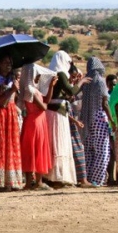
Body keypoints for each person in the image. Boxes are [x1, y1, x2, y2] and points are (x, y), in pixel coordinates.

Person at [45, 51, 88, 187]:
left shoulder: (51, 73)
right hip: (58, 113)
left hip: (53, 111)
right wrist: (81, 82)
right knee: (59, 143)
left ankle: (53, 176)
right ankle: (58, 177)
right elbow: (71, 91)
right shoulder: (61, 74)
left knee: (55, 143)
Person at [19, 63, 57, 191]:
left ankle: (30, 182)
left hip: (34, 121)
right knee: (37, 149)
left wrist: (51, 86)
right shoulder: (31, 90)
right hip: (35, 121)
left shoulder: (31, 89)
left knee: (31, 150)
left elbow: (46, 100)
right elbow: (44, 106)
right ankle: (38, 182)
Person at [0, 54, 23, 191]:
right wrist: (12, 90)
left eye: (10, 62)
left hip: (10, 114)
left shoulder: (11, 79)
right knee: (1, 145)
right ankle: (1, 181)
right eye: (5, 62)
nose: (8, 65)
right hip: (0, 114)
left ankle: (12, 180)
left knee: (11, 145)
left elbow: (13, 100)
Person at [80, 57, 114, 186]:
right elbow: (105, 103)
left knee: (89, 152)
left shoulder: (86, 82)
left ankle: (87, 178)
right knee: (102, 152)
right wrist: (111, 120)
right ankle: (97, 179)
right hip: (99, 120)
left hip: (87, 121)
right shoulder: (100, 82)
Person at [66, 65, 95, 188]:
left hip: (80, 123)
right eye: (75, 76)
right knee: (76, 150)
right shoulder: (69, 89)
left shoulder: (83, 90)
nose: (77, 78)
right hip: (71, 123)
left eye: (79, 76)